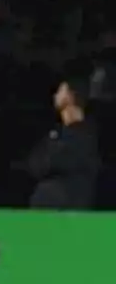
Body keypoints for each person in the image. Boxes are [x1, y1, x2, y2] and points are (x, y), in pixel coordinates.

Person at [28, 77, 100, 210]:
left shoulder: (86, 134)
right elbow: (35, 164)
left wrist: (50, 159)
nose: (55, 95)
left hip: (71, 214)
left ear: (70, 96)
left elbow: (61, 160)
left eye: (60, 91)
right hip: (43, 215)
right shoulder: (54, 133)